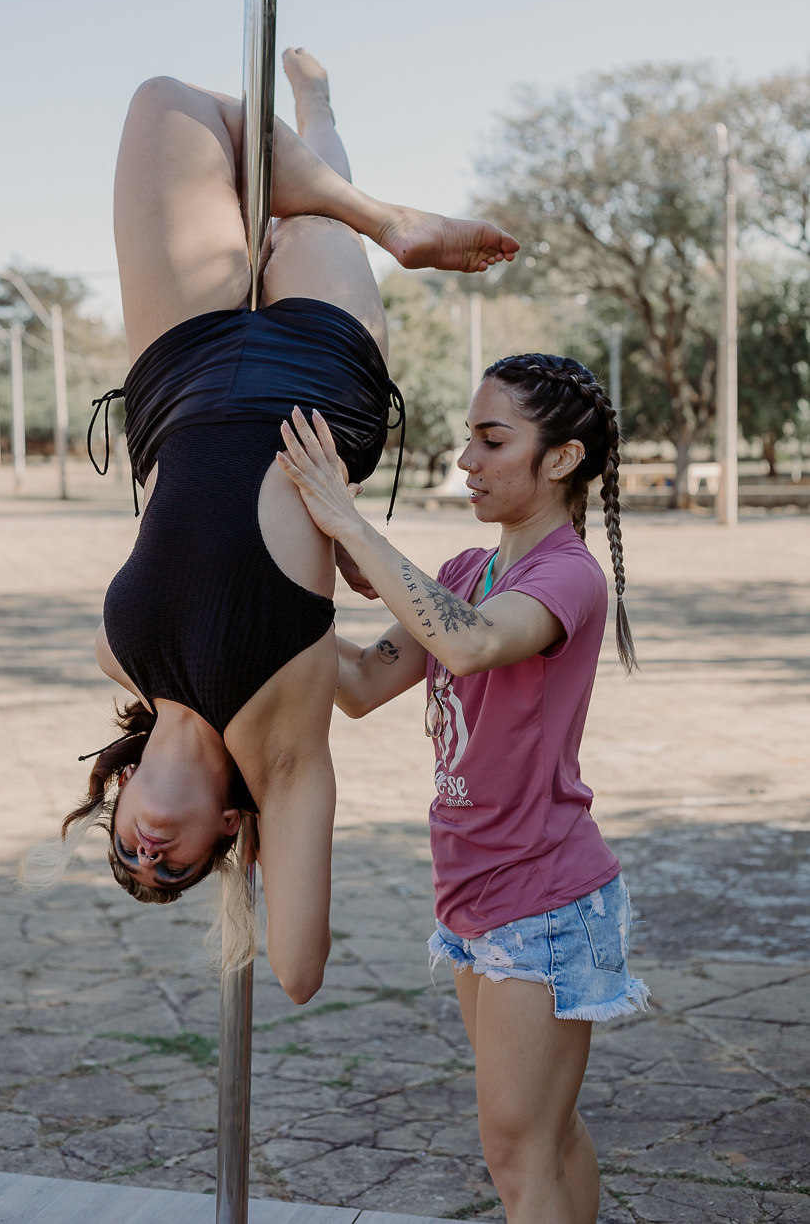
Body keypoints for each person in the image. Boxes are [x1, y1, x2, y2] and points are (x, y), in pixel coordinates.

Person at [25, 50, 518, 1004]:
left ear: (115, 802)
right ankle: (350, 167)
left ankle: (373, 206)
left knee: (166, 102)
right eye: (173, 869)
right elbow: (297, 973)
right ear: (224, 834)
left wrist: (334, 552)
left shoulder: (120, 657)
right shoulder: (283, 754)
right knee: (304, 216)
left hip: (180, 376)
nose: (149, 853)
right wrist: (255, 866)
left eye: (127, 855)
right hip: (316, 380)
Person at [276, 358, 648, 1221]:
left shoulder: (567, 575)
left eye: (493, 441)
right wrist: (272, 589)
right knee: (545, 1137)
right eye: (468, 439)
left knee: (518, 1153)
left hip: (543, 897)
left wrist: (350, 521)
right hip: (471, 889)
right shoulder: (467, 569)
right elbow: (360, 684)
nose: (466, 460)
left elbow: (472, 644)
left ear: (562, 459)